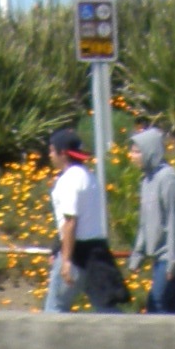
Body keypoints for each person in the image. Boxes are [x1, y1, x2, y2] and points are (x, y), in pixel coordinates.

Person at [42, 127, 120, 314]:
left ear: (63, 153)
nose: (50, 155)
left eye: (52, 150)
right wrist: (56, 246)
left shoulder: (68, 180)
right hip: (96, 250)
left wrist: (66, 260)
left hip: (76, 252)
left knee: (55, 308)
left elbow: (70, 222)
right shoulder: (89, 177)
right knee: (106, 309)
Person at [126, 127, 175, 313]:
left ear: (150, 151)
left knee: (157, 301)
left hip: (174, 254)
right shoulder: (147, 181)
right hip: (161, 254)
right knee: (171, 306)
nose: (132, 156)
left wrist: (174, 261)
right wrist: (138, 255)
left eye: (137, 152)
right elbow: (145, 222)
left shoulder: (168, 179)